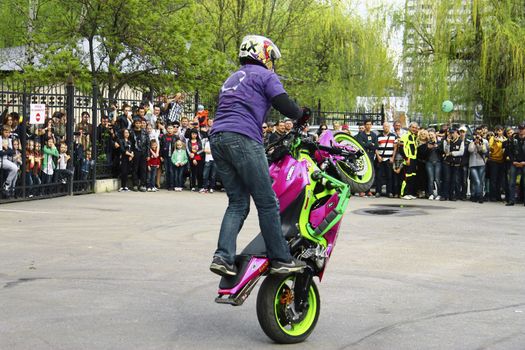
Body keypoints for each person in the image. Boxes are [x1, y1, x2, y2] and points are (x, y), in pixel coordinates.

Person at [208, 34, 307, 276]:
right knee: (267, 201)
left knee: (238, 203)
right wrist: (302, 113)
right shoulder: (264, 75)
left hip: (218, 138)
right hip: (242, 137)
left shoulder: (232, 78)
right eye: (270, 56)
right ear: (261, 53)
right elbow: (285, 105)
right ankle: (281, 258)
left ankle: (223, 258)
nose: (272, 62)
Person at [356, 119, 378, 196]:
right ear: (365, 125)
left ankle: (368, 190)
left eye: (370, 124)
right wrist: (369, 144)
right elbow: (361, 145)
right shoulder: (361, 135)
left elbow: (376, 146)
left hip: (371, 157)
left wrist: (368, 145)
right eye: (367, 124)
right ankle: (361, 190)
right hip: (363, 157)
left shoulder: (374, 135)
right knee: (362, 173)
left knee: (370, 174)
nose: (368, 126)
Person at [442, 128, 464, 201]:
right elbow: (446, 151)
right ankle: (445, 195)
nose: (452, 134)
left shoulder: (461, 141)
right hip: (447, 163)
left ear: (457, 134)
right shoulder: (446, 141)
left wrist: (452, 153)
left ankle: (452, 195)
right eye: (451, 133)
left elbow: (461, 152)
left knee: (453, 180)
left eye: (454, 133)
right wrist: (448, 144)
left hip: (456, 163)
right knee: (446, 179)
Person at [375, 121, 396, 197]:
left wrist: (392, 158)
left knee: (389, 176)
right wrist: (378, 156)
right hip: (380, 158)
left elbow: (395, 148)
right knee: (379, 176)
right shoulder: (378, 136)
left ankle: (389, 192)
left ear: (389, 127)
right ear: (383, 127)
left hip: (389, 158)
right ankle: (378, 191)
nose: (386, 128)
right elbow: (376, 148)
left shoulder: (393, 136)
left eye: (387, 126)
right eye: (385, 126)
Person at [506, 124, 525, 206]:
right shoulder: (514, 139)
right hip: (514, 163)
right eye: (520, 128)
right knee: (512, 182)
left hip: (524, 163)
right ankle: (511, 200)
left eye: (523, 128)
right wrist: (513, 161)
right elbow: (509, 151)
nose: (521, 130)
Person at [468, 127, 489, 203]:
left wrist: (480, 144)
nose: (477, 137)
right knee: (476, 181)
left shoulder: (485, 142)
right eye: (476, 135)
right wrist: (474, 142)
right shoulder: (471, 142)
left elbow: (484, 151)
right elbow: (470, 150)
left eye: (479, 135)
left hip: (481, 164)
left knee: (481, 181)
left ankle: (478, 196)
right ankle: (478, 195)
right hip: (473, 164)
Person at [399, 122, 419, 199]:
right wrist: (406, 158)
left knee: (412, 177)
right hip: (408, 159)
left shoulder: (415, 137)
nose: (414, 129)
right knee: (406, 177)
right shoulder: (405, 136)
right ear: (409, 127)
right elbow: (401, 149)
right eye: (413, 127)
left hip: (414, 159)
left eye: (415, 128)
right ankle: (404, 193)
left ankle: (410, 193)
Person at [487, 125, 506, 201]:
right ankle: (493, 196)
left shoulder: (505, 139)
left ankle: (498, 196)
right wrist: (495, 142)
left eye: (500, 130)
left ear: (503, 130)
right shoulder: (492, 138)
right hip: (494, 160)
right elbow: (490, 148)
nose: (499, 132)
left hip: (502, 161)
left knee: (500, 180)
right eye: (497, 130)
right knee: (493, 179)